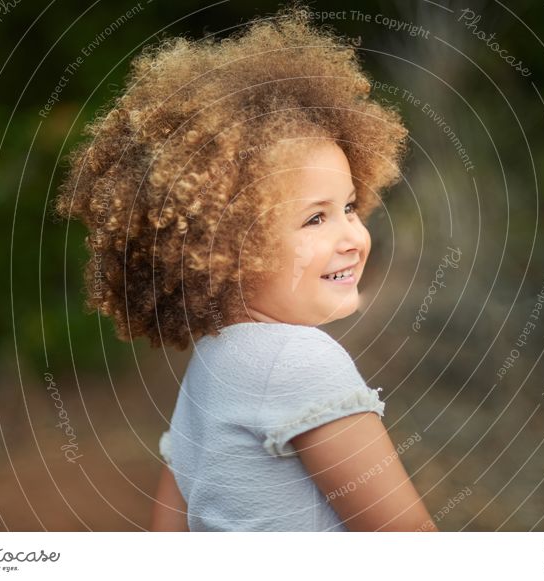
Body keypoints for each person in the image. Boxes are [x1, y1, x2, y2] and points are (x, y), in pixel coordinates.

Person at [54, 4, 436, 532]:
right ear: (223, 248)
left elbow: (170, 533)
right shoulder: (302, 362)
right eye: (314, 219)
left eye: (349, 207)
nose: (352, 236)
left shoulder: (214, 360)